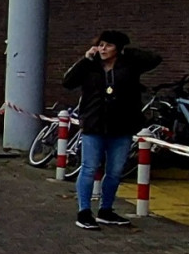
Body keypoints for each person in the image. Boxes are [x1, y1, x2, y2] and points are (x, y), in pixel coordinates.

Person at [63, 30, 162, 230]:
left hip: (122, 126)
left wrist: (128, 52)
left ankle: (106, 210)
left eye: (108, 45)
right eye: (100, 45)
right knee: (89, 168)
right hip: (94, 125)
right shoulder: (90, 67)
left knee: (115, 171)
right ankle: (84, 212)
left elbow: (155, 59)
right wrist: (85, 59)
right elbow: (68, 82)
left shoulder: (129, 66)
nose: (102, 49)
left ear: (118, 49)